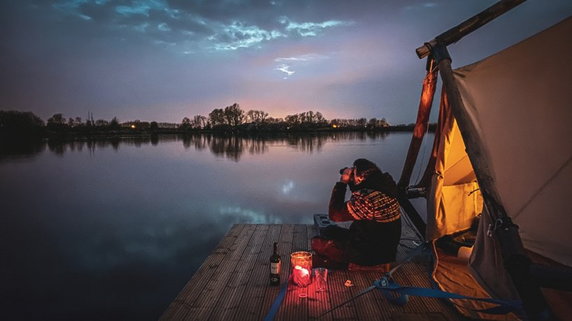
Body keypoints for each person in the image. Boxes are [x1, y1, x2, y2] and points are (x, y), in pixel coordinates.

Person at [312, 158, 402, 269]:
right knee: (329, 230)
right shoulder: (385, 187)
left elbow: (334, 214)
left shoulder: (367, 199)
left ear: (360, 177)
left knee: (317, 243)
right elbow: (360, 190)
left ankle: (359, 266)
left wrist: (342, 183)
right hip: (383, 248)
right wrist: (352, 180)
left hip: (371, 254)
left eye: (354, 174)